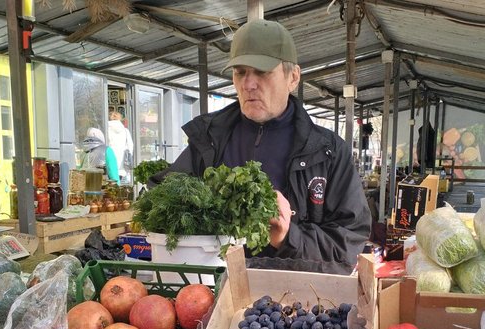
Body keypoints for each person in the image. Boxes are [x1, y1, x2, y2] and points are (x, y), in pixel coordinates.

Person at [151, 19, 371, 273]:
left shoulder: (328, 152)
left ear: (293, 77)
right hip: (216, 295)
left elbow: (347, 244)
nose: (248, 84)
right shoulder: (210, 140)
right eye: (240, 72)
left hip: (296, 304)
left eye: (262, 71)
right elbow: (162, 199)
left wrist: (288, 237)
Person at [108, 111, 134, 183]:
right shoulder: (125, 131)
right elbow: (130, 147)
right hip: (122, 165)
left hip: (109, 163)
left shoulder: (106, 130)